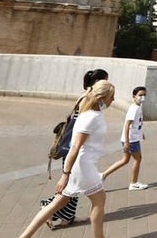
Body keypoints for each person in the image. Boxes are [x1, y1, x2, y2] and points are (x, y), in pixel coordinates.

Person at [1, 80, 123, 238]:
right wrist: (65, 174)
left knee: (57, 203)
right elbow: (75, 147)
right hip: (82, 166)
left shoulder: (90, 113)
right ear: (102, 97)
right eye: (111, 96)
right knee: (99, 201)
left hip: (80, 165)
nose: (113, 99)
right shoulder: (91, 116)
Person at [44, 68, 109, 229]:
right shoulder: (88, 98)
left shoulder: (85, 96)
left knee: (73, 189)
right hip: (75, 148)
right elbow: (83, 126)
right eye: (105, 81)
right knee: (69, 187)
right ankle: (48, 210)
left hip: (75, 146)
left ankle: (67, 216)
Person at [103, 86, 149, 189]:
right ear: (134, 96)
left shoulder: (138, 107)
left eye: (144, 95)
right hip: (131, 139)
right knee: (138, 159)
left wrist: (141, 133)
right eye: (140, 95)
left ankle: (103, 175)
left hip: (131, 138)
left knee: (125, 160)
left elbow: (137, 123)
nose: (142, 97)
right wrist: (127, 142)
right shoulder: (134, 109)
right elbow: (127, 125)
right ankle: (134, 183)